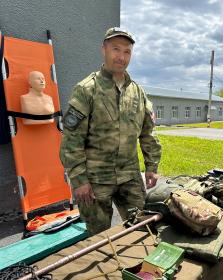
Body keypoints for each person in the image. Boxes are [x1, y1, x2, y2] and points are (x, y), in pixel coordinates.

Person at [60, 27, 162, 235]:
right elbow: (72, 140)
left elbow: (147, 133)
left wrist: (151, 166)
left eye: (127, 51)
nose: (121, 56)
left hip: (130, 176)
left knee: (142, 229)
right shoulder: (87, 89)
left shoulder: (138, 92)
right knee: (98, 237)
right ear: (104, 50)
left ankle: (134, 267)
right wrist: (79, 180)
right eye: (116, 49)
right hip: (95, 180)